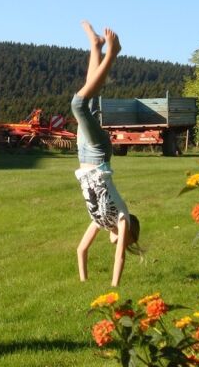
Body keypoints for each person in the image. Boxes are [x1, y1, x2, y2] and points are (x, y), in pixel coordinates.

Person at [71, 21, 141, 287]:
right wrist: (114, 287)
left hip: (82, 154)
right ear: (129, 235)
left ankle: (96, 46)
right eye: (123, 242)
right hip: (99, 154)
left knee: (86, 100)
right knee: (78, 104)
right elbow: (120, 258)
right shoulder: (121, 218)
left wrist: (83, 280)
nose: (117, 245)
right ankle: (112, 53)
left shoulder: (100, 221)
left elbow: (81, 250)